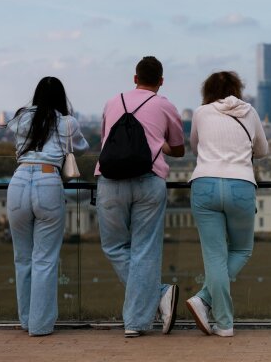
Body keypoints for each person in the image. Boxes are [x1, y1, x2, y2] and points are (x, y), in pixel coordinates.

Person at [94, 56, 185, 338]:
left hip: (110, 181)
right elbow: (179, 149)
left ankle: (153, 300)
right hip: (149, 180)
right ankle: (139, 318)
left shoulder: (112, 102)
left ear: (134, 78)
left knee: (113, 246)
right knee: (145, 249)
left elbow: (105, 141)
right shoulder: (165, 105)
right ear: (161, 81)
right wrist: (159, 144)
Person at [186, 71, 268, 337]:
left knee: (214, 256)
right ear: (237, 89)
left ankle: (221, 320)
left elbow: (195, 147)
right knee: (242, 250)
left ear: (207, 91)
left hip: (205, 184)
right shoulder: (250, 112)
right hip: (241, 185)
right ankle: (207, 305)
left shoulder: (200, 113)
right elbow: (263, 151)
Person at [5, 76, 89, 336]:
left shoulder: (21, 118)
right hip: (48, 180)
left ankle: (26, 320)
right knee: (45, 259)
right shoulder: (67, 122)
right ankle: (40, 325)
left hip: (18, 181)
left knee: (22, 258)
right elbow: (82, 148)